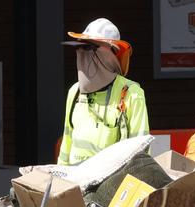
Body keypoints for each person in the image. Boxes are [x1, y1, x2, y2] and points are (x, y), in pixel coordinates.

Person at [58, 18, 149, 165]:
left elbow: (141, 150)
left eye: (88, 48)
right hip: (75, 182)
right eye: (79, 47)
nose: (81, 52)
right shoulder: (75, 92)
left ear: (109, 53)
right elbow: (66, 143)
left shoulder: (131, 93)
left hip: (111, 184)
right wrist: (58, 182)